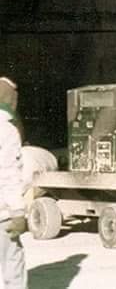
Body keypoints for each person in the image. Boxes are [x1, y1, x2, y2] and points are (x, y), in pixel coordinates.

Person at [0, 89, 26, 288]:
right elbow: (8, 172)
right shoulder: (6, 129)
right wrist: (18, 212)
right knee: (11, 265)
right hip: (2, 214)